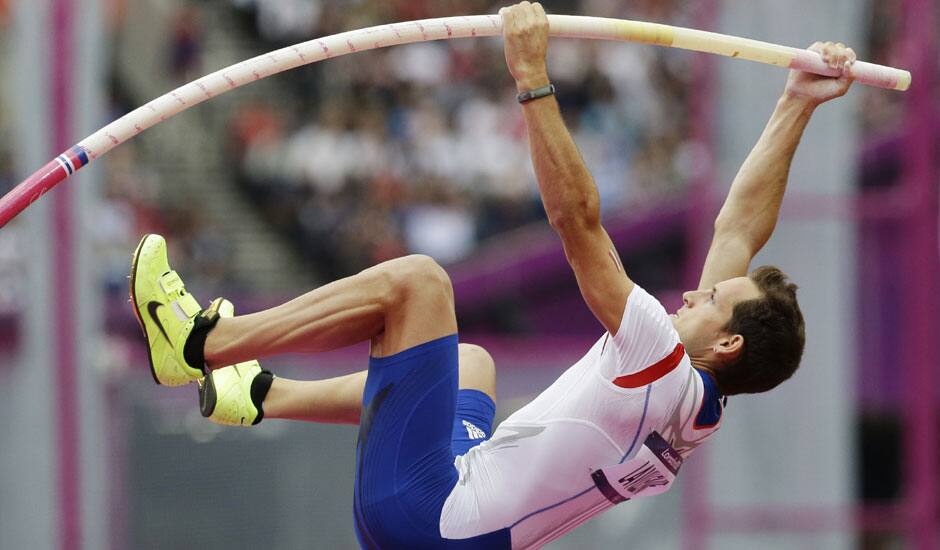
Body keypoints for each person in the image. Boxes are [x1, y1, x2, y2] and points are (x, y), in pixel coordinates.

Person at [129, 2, 856, 547]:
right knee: (467, 365)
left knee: (419, 284)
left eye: (714, 298)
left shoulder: (658, 361)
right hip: (454, 518)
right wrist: (795, 102)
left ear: (725, 342)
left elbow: (578, 225)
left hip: (427, 514)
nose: (697, 288)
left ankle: (200, 343)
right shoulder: (699, 409)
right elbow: (738, 230)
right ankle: (256, 394)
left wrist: (531, 77)